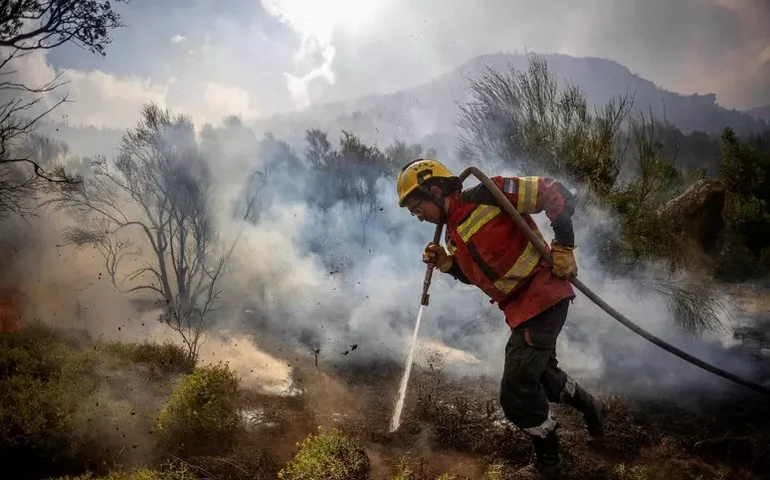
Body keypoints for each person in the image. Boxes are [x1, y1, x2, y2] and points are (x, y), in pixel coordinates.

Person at [396, 158, 604, 478]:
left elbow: (555, 191)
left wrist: (564, 246)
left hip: (543, 297)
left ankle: (548, 464)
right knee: (546, 381)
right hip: (520, 310)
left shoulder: (488, 193)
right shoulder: (452, 235)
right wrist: (448, 264)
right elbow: (475, 276)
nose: (418, 216)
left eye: (417, 207)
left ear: (435, 191)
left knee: (517, 394)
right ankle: (590, 405)